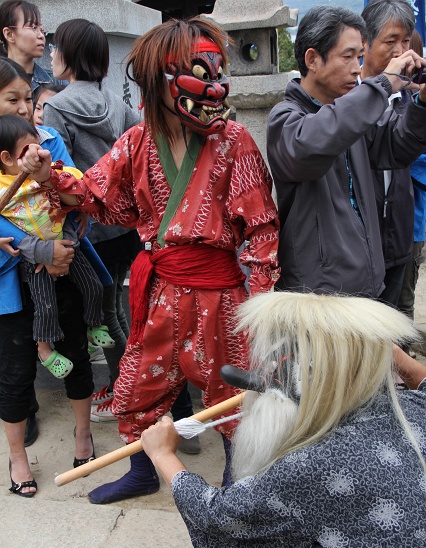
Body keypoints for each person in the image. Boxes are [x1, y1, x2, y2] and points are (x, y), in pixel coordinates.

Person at [19, 17, 280, 503]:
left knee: (231, 400)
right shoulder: (136, 144)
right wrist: (50, 177)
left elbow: (262, 231)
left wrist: (260, 307)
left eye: (216, 71)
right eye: (198, 72)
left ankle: (237, 485)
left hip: (222, 297)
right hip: (161, 291)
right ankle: (142, 470)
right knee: (137, 387)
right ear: (158, 81)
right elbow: (99, 197)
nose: (213, 85)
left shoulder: (235, 143)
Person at [140, 291, 426, 548]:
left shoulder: (315, 462)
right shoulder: (414, 407)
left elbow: (220, 517)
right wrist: (388, 355)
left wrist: (163, 454)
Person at [0, 58, 107, 495]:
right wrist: (33, 247)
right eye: (12, 99)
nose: (26, 108)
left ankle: (84, 436)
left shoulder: (49, 140)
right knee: (14, 371)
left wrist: (60, 247)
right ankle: (17, 459)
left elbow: (76, 195)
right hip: (10, 281)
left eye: (28, 98)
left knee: (78, 352)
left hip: (63, 265)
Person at [267, 5, 426, 297]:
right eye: (348, 56)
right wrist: (380, 85)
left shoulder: (353, 114)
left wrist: (422, 105)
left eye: (360, 57)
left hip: (364, 288)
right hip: (319, 298)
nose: (357, 67)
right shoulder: (286, 119)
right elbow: (316, 142)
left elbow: (398, 147)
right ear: (312, 59)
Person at [41, 18, 143, 424]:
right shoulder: (118, 106)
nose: (51, 54)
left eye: (56, 47)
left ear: (70, 55)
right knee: (116, 307)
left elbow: (56, 174)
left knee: (106, 315)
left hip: (88, 229)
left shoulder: (56, 107)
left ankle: (125, 388)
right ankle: (126, 384)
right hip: (126, 227)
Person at [0, 114, 114, 378]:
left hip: (66, 246)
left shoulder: (44, 173)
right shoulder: (4, 186)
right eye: (29, 151)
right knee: (45, 305)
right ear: (7, 159)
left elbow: (76, 180)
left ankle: (94, 324)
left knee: (94, 285)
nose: (39, 154)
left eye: (39, 146)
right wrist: (40, 251)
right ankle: (44, 350)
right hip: (34, 261)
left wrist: (50, 174)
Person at [360, 0, 416, 306]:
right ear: (364, 43)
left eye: (406, 41)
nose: (400, 51)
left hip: (398, 235)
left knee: (395, 321)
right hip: (359, 246)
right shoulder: (347, 97)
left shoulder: (409, 96)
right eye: (390, 41)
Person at [398, 29, 426, 333]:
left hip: (412, 221)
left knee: (404, 299)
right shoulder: (392, 98)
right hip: (394, 222)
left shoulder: (414, 103)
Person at [0, 0, 57, 91]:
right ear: (9, 34)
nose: (41, 36)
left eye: (41, 30)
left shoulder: (56, 81)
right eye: (33, 27)